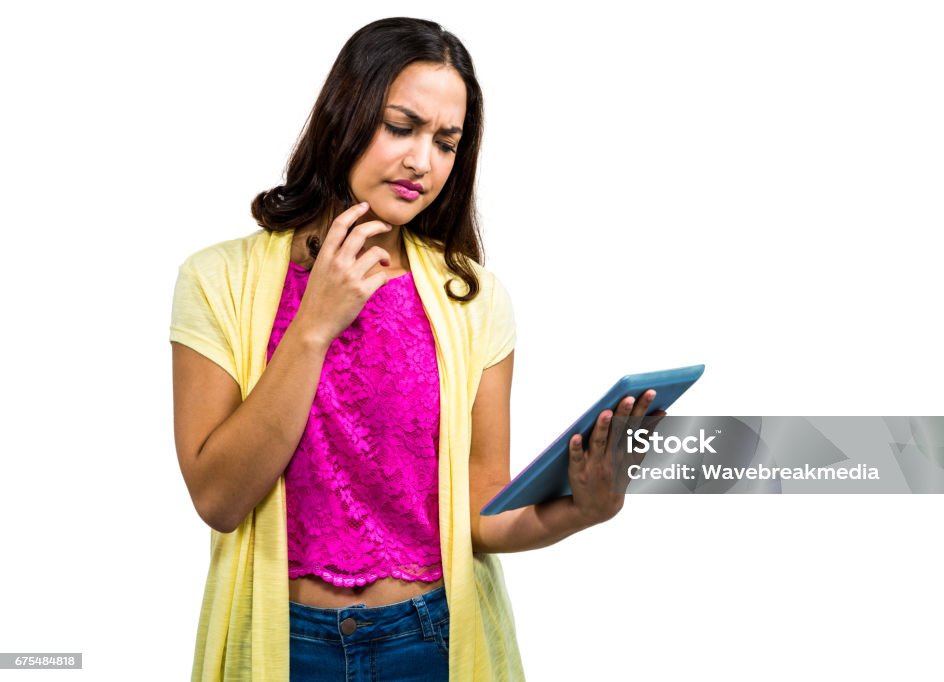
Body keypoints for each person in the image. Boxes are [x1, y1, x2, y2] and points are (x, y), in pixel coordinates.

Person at [170, 17, 661, 682]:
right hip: (287, 647)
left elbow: (482, 516)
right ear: (346, 116)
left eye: (446, 143)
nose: (422, 162)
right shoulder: (217, 280)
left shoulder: (474, 298)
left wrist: (581, 510)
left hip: (429, 640)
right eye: (401, 127)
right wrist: (314, 324)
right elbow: (219, 498)